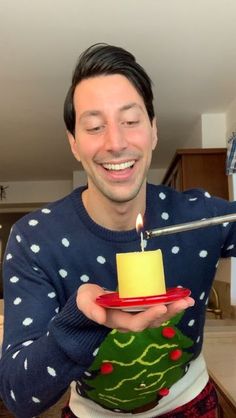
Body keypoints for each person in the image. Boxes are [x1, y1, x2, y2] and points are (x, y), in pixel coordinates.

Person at [0, 43, 235, 418]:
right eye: (95, 126)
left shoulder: (200, 214)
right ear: (74, 143)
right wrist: (79, 321)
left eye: (131, 121)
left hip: (193, 403)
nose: (116, 142)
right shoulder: (35, 239)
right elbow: (18, 395)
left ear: (154, 131)